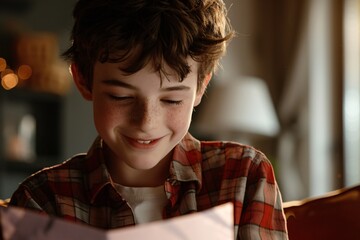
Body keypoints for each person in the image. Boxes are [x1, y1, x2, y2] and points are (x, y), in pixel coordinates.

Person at [9, 0, 288, 239]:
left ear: (201, 87)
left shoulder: (242, 177)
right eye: (121, 96)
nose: (146, 121)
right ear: (83, 80)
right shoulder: (43, 199)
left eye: (172, 100)